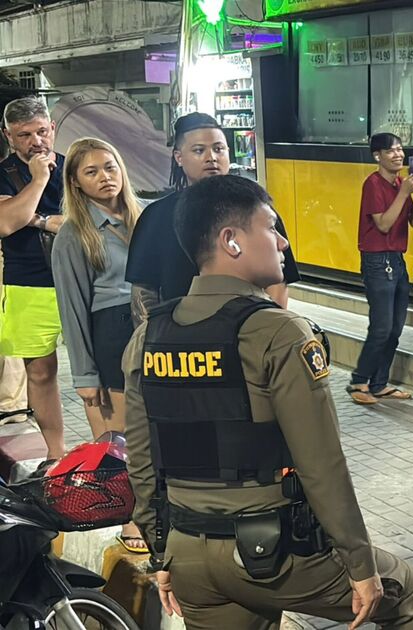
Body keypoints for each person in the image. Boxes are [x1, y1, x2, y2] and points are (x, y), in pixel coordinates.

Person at [122, 175, 413, 630]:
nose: (283, 242)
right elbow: (321, 463)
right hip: (274, 555)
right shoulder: (279, 332)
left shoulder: (148, 335)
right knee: (410, 592)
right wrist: (359, 564)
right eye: (270, 228)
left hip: (187, 554)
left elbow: (142, 462)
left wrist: (162, 553)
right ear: (231, 241)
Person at [51, 137, 147, 552]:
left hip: (154, 330)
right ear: (75, 182)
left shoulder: (145, 218)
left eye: (110, 166)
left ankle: (160, 513)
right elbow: (72, 310)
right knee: (120, 441)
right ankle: (132, 521)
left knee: (158, 433)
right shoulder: (73, 235)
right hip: (111, 334)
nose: (105, 177)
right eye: (91, 171)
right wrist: (85, 376)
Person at [125, 113, 301, 328]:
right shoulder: (156, 216)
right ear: (179, 157)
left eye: (219, 149)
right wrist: (156, 336)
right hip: (179, 337)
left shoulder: (259, 210)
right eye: (199, 150)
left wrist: (268, 332)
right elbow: (143, 290)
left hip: (249, 334)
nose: (212, 158)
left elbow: (278, 284)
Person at [0, 96, 67, 462]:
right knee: (40, 373)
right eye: (24, 135)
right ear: (8, 136)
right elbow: (6, 222)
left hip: (83, 280)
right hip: (27, 283)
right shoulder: (3, 172)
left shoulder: (76, 166)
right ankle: (56, 456)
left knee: (99, 372)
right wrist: (40, 180)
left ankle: (109, 451)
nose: (36, 141)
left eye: (42, 131)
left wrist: (32, 217)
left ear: (52, 128)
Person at [347, 133, 413, 405]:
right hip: (377, 261)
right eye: (391, 151)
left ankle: (379, 384)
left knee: (395, 329)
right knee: (381, 328)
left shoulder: (401, 184)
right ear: (377, 156)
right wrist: (404, 194)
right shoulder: (373, 184)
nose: (398, 155)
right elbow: (383, 224)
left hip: (397, 260)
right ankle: (359, 381)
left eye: (400, 149)